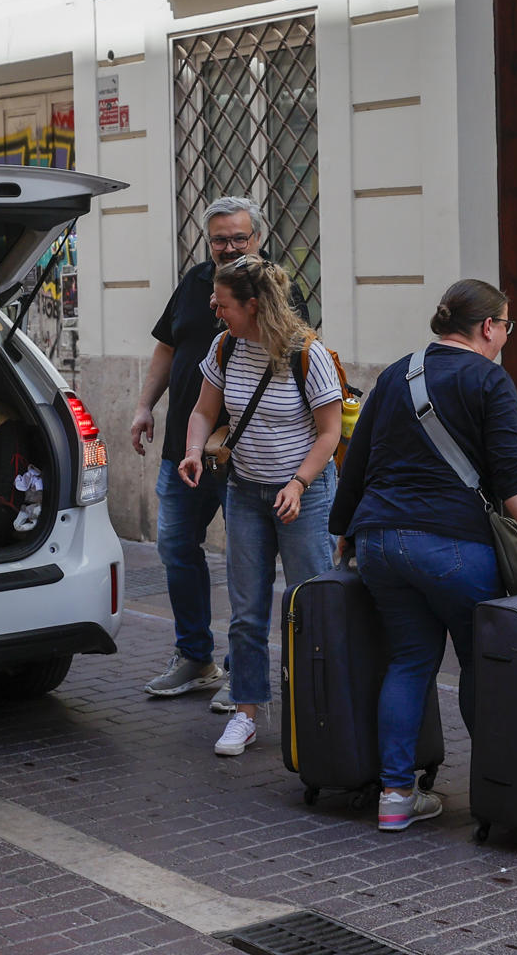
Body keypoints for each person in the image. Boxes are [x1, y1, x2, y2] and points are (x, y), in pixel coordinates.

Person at [328, 280, 517, 833]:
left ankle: (394, 797)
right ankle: (498, 793)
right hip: (455, 547)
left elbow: (356, 457)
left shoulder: (396, 373)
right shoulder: (489, 378)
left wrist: (344, 528)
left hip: (382, 542)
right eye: (506, 325)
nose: (506, 335)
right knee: (484, 668)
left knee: (409, 662)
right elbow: (513, 474)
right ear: (488, 327)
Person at [177, 256, 343, 758]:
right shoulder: (225, 346)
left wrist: (297, 483)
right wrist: (192, 450)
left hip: (304, 496)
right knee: (247, 614)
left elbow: (330, 433)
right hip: (246, 492)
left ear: (253, 305)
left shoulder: (306, 355)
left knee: (310, 606)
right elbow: (205, 410)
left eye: (223, 302)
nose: (214, 308)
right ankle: (246, 713)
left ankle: (321, 707)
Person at [130, 196, 265, 710]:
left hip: (243, 456)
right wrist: (145, 405)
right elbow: (168, 346)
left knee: (245, 563)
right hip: (182, 449)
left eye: (239, 238)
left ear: (257, 239)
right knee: (175, 548)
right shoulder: (194, 282)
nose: (229, 248)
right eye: (220, 239)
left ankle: (242, 671)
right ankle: (195, 657)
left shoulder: (270, 290)